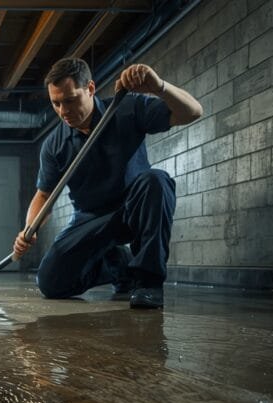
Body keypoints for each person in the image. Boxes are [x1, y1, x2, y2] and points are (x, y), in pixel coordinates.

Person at [13, 58, 202, 308]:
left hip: (134, 209)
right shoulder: (54, 145)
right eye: (56, 103)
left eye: (70, 100)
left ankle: (147, 284)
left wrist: (159, 87)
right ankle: (118, 267)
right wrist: (30, 229)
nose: (63, 111)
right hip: (90, 219)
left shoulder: (127, 108)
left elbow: (192, 112)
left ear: (90, 89)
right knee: (50, 282)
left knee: (157, 180)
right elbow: (44, 195)